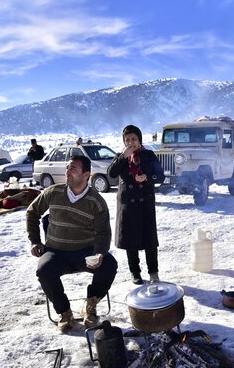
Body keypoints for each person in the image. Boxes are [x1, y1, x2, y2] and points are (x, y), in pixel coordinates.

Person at [26, 155, 118, 332]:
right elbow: (32, 212)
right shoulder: (53, 192)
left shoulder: (96, 201)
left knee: (109, 265)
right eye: (67, 167)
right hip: (56, 251)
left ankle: (90, 306)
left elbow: (103, 232)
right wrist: (35, 241)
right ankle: (64, 312)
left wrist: (99, 254)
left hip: (85, 251)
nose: (67, 172)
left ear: (86, 174)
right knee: (44, 270)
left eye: (73, 168)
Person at [108, 125, 165, 284]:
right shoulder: (121, 156)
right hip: (128, 203)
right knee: (130, 240)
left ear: (139, 139)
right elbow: (111, 173)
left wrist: (147, 177)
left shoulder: (148, 155)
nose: (131, 142)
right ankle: (135, 272)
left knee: (149, 240)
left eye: (133, 139)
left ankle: (153, 272)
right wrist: (122, 157)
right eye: (127, 140)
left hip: (145, 201)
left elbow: (160, 176)